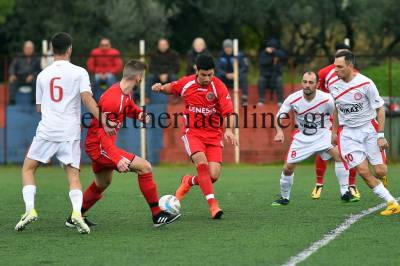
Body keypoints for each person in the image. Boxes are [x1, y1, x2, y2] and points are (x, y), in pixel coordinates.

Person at [14, 32, 115, 234]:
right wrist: (104, 120)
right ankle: (77, 213)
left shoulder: (42, 75)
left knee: (28, 169)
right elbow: (87, 99)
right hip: (69, 131)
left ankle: (29, 210)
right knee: (73, 175)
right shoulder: (79, 72)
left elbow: (39, 109)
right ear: (70, 49)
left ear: (52, 50)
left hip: (47, 129)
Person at [66, 59, 181, 228]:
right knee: (145, 167)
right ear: (139, 78)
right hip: (99, 147)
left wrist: (140, 115)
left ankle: (75, 217)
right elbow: (102, 133)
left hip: (98, 145)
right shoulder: (113, 99)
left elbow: (128, 107)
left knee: (102, 183)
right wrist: (116, 158)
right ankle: (157, 215)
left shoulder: (124, 93)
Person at [152, 54, 238, 219]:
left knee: (212, 176)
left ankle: (188, 181)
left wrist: (229, 130)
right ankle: (213, 206)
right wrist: (161, 88)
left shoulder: (219, 87)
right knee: (202, 164)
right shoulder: (187, 83)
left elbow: (229, 113)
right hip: (193, 134)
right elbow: (173, 87)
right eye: (203, 75)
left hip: (214, 136)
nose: (207, 78)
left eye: (210, 74)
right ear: (196, 71)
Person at [331, 50, 399, 215]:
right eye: (334, 66)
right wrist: (334, 131)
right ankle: (392, 203)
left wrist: (381, 135)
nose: (335, 70)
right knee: (362, 170)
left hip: (369, 129)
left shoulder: (366, 83)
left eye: (339, 67)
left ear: (350, 65)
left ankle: (381, 178)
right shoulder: (334, 86)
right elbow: (336, 108)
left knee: (380, 171)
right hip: (347, 134)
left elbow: (380, 109)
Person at [271, 71, 354, 206]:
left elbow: (337, 112)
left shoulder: (327, 98)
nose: (307, 85)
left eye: (310, 82)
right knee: (288, 168)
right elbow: (279, 116)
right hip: (302, 137)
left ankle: (345, 192)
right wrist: (279, 131)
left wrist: (334, 132)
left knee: (340, 156)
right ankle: (284, 198)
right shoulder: (293, 98)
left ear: (317, 84)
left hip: (323, 134)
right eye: (304, 82)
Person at [311, 44, 360, 200]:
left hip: (345, 117)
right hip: (327, 117)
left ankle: (351, 186)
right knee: (323, 149)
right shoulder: (324, 72)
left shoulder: (355, 74)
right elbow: (317, 91)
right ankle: (319, 184)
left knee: (349, 151)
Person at [146, 38, 180, 104]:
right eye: (161, 45)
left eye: (164, 45)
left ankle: (176, 97)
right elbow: (151, 68)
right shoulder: (153, 55)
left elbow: (176, 67)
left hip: (170, 75)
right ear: (158, 46)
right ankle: (147, 97)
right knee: (149, 77)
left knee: (174, 78)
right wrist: (159, 75)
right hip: (156, 75)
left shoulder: (174, 54)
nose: (162, 46)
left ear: (167, 45)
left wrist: (167, 74)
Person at [216, 39, 249, 106]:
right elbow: (217, 68)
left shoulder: (239, 55)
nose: (228, 49)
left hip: (236, 76)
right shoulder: (220, 56)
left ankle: (244, 98)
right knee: (217, 77)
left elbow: (244, 67)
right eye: (226, 47)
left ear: (232, 47)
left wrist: (236, 73)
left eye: (229, 47)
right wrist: (225, 74)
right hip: (225, 77)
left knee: (244, 77)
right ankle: (218, 98)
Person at [8, 41, 42, 105]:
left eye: (30, 48)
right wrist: (12, 74)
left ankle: (34, 100)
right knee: (12, 81)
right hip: (20, 77)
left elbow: (39, 70)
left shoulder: (37, 58)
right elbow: (12, 67)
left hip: (32, 77)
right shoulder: (18, 57)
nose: (28, 50)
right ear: (24, 48)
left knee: (37, 82)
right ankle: (12, 100)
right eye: (27, 48)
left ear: (33, 49)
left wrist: (32, 75)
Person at [257, 38, 285, 106]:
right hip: (266, 76)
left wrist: (273, 52)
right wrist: (272, 59)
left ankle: (280, 101)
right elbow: (262, 62)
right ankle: (261, 100)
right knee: (261, 80)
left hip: (276, 76)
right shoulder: (263, 53)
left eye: (274, 47)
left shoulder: (278, 53)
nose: (272, 48)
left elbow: (284, 56)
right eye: (271, 47)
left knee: (279, 80)